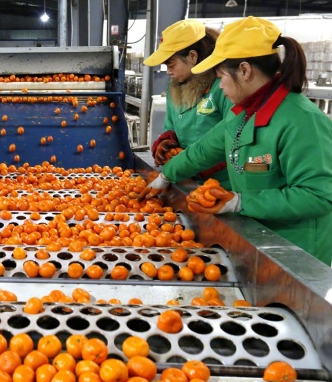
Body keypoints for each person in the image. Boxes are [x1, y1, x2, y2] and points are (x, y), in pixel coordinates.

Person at [142, 17, 332, 265]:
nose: (219, 86)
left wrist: (240, 201)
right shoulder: (243, 114)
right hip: (257, 239)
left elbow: (318, 196)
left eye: (221, 76)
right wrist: (166, 176)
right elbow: (202, 151)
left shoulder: (303, 121)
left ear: (244, 70)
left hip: (298, 252)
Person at [143, 19, 232, 187]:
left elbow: (233, 137)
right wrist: (165, 144)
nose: (168, 72)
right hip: (185, 179)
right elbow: (171, 127)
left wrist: (196, 165)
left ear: (192, 56)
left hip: (222, 186)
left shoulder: (222, 87)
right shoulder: (174, 88)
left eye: (171, 65)